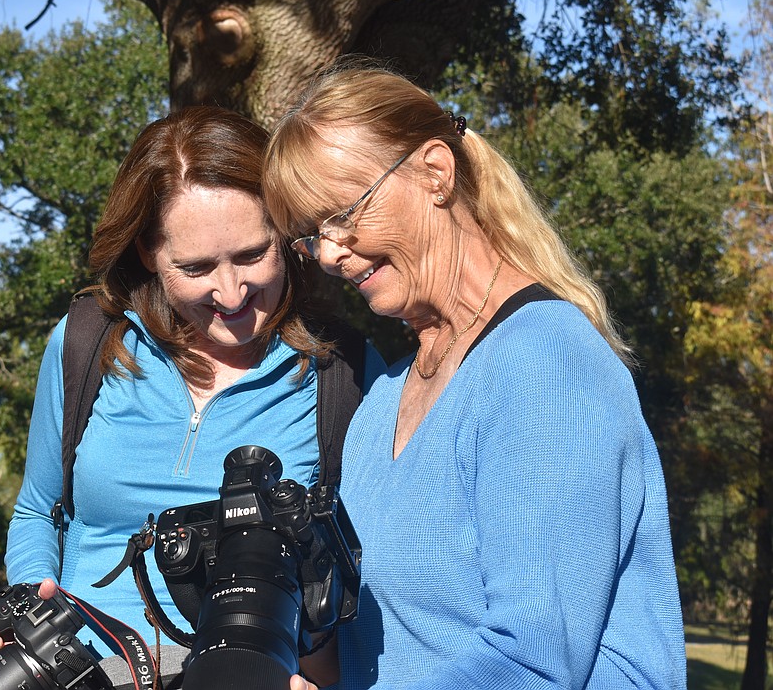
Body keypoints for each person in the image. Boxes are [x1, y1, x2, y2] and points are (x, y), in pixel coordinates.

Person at [262, 64, 686, 690]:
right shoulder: (381, 402)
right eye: (310, 237)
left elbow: (535, 661)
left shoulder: (546, 360)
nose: (329, 254)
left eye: (344, 215)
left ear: (435, 171)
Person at [0, 105, 386, 672]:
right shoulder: (86, 342)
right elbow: (39, 510)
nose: (232, 292)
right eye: (195, 267)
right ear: (147, 253)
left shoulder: (345, 371)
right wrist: (30, 611)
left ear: (287, 236)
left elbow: (360, 570)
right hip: (80, 669)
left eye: (252, 254)